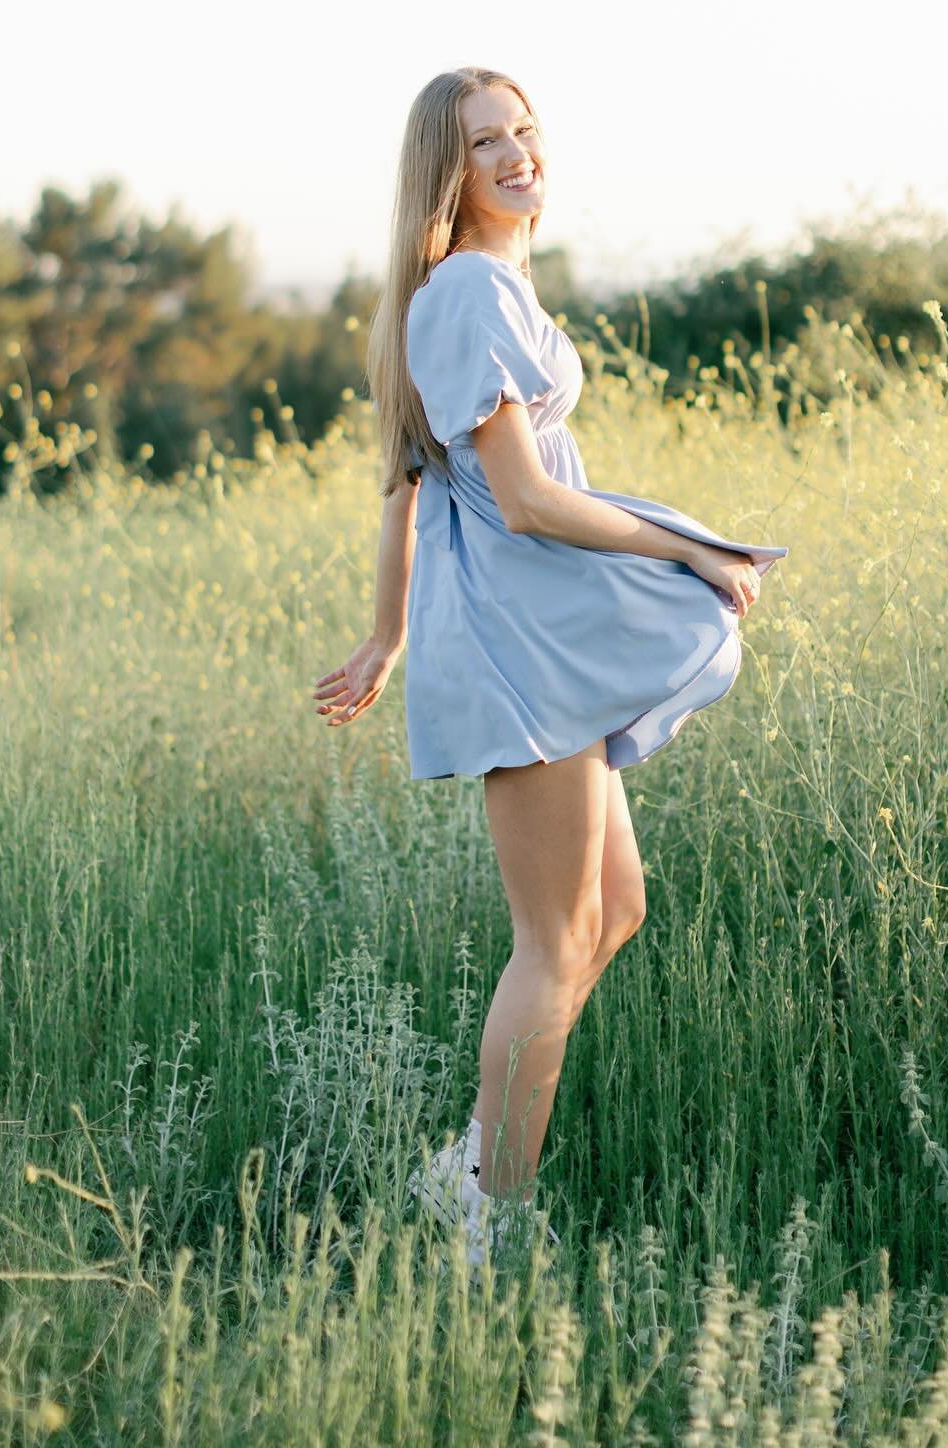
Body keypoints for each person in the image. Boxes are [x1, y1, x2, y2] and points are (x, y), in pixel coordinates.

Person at [311, 67, 788, 1266]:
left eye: (525, 130)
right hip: (524, 645)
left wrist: (387, 633)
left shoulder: (474, 284)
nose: (520, 153)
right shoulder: (469, 288)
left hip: (532, 633)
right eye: (487, 143)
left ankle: (471, 1164)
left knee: (609, 911)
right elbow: (523, 501)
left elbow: (405, 490)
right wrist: (686, 543)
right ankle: (492, 1213)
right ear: (448, 172)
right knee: (552, 940)